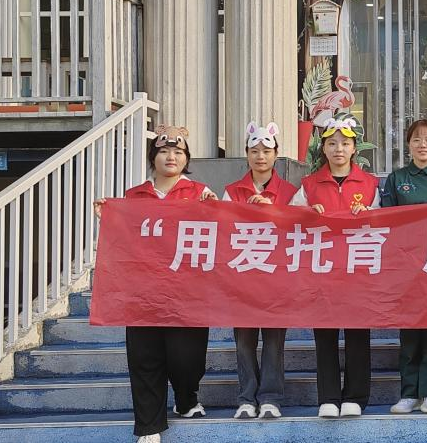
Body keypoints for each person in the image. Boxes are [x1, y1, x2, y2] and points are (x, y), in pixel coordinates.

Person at [96, 125, 215, 443]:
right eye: (163, 151)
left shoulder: (200, 193)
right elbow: (123, 241)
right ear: (153, 157)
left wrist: (214, 210)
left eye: (178, 152)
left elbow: (216, 238)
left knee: (186, 359)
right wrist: (108, 218)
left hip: (187, 294)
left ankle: (186, 398)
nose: (171, 157)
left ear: (187, 158)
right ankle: (149, 426)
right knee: (145, 358)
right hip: (143, 294)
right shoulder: (134, 196)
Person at [290, 117, 379, 419]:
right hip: (322, 271)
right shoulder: (309, 185)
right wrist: (305, 212)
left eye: (345, 143)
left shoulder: (370, 184)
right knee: (325, 336)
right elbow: (289, 219)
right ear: (323, 149)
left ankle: (355, 396)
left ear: (354, 148)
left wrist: (369, 214)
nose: (338, 149)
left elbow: (384, 223)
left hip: (358, 271)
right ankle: (328, 396)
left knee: (357, 335)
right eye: (332, 143)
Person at [382, 119, 427, 416]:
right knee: (410, 332)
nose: (423, 145)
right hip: (406, 265)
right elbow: (387, 220)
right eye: (416, 139)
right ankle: (409, 393)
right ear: (408, 144)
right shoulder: (396, 178)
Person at [221, 122, 292, 421]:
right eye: (254, 151)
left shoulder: (290, 192)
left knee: (274, 342)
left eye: (266, 151)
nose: (260, 156)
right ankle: (246, 398)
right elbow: (222, 230)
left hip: (277, 279)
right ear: (246, 155)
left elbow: (298, 231)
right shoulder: (231, 192)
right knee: (244, 341)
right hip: (242, 279)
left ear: (276, 154)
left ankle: (271, 398)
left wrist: (272, 211)